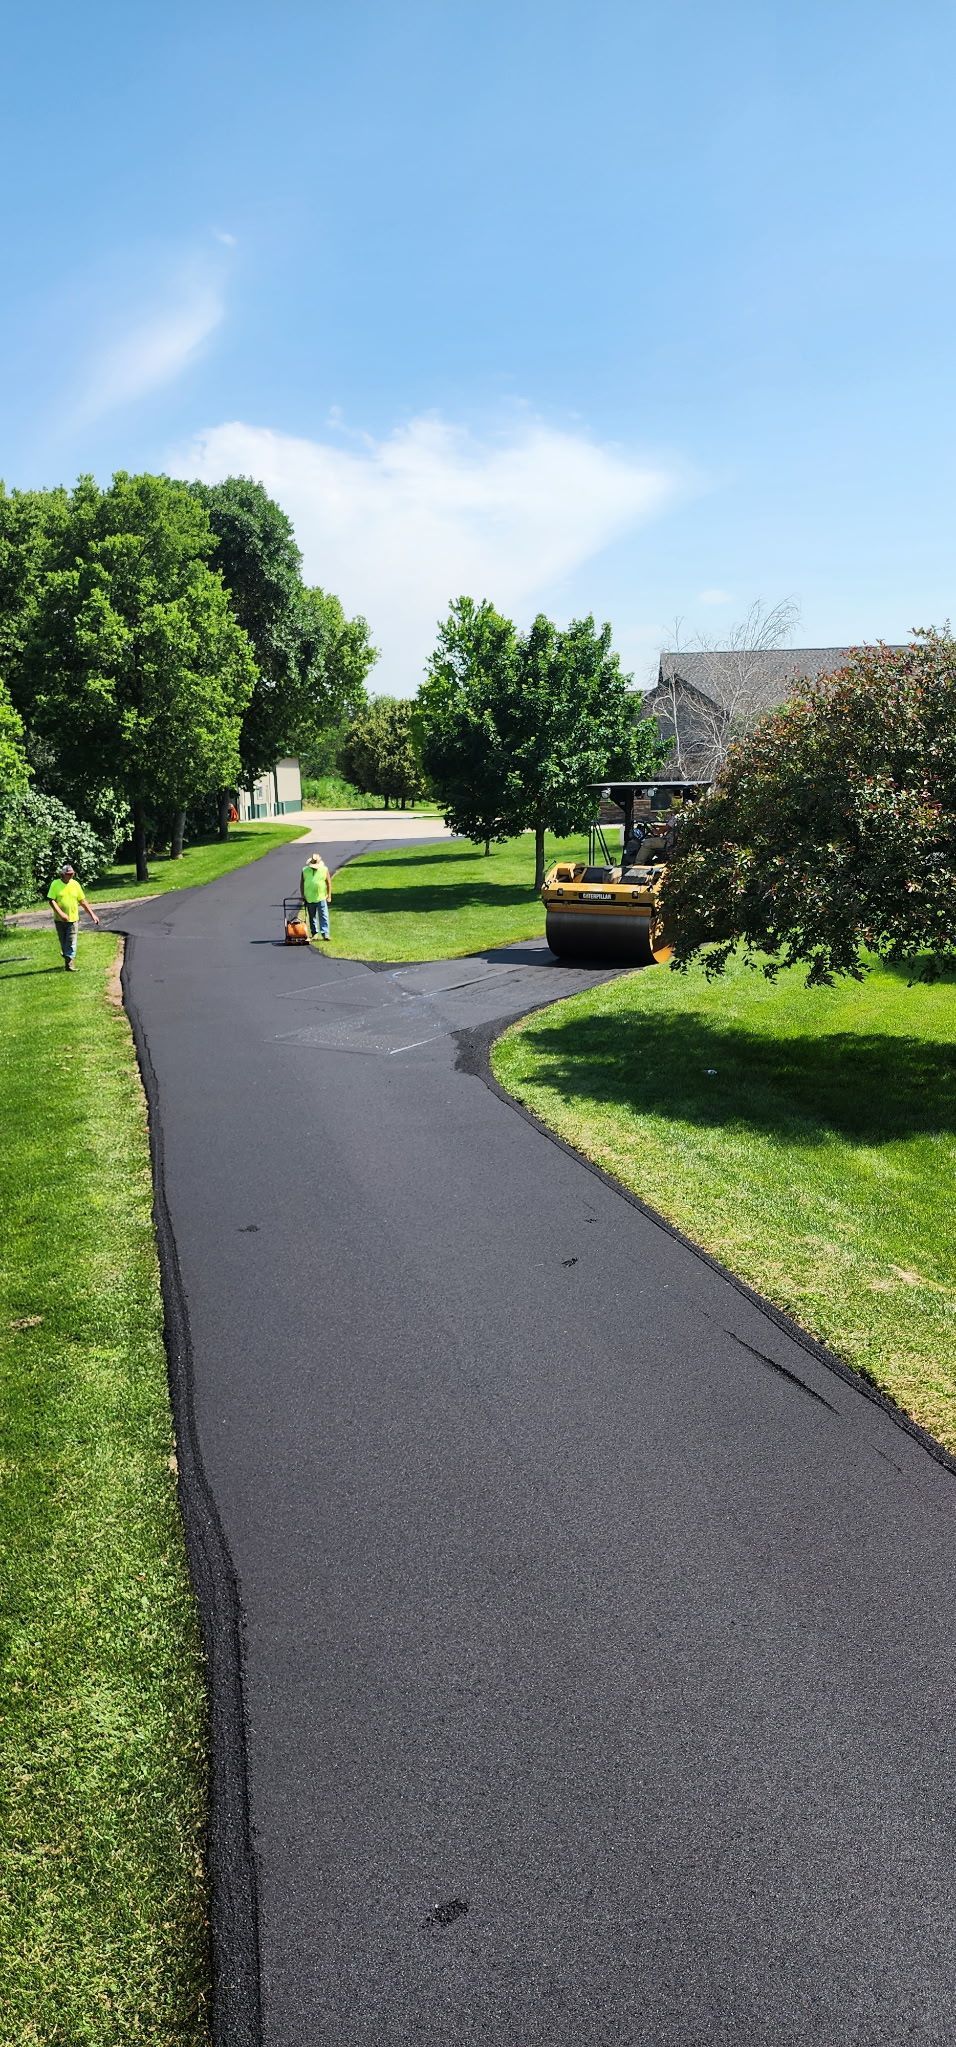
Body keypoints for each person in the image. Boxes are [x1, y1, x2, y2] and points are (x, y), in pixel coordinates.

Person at [47, 862, 100, 970]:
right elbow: (51, 900)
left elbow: (82, 901)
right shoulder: (55, 884)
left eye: (72, 874)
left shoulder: (75, 884)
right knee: (63, 942)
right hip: (59, 920)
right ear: (63, 874)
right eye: (69, 874)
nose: (71, 875)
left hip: (73, 919)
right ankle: (67, 957)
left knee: (71, 941)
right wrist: (61, 914)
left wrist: (92, 915)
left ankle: (70, 964)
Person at [300, 851, 332, 941]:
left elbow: (328, 883)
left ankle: (325, 933)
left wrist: (329, 895)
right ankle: (314, 933)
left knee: (324, 915)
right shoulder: (305, 870)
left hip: (321, 896)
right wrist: (303, 895)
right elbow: (302, 883)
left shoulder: (324, 869)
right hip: (309, 897)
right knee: (312, 916)